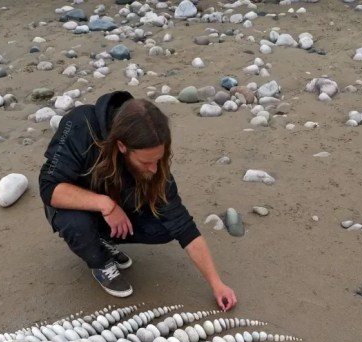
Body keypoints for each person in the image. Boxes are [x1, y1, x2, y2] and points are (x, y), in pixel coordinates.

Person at [38, 91, 238, 312]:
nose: (154, 169)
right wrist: (105, 204)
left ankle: (101, 238)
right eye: (146, 162)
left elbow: (184, 226)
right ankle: (100, 262)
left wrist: (217, 284)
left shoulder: (153, 162)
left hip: (115, 204)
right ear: (122, 146)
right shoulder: (80, 125)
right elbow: (49, 188)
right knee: (77, 224)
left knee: (165, 226)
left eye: (158, 160)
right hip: (73, 205)